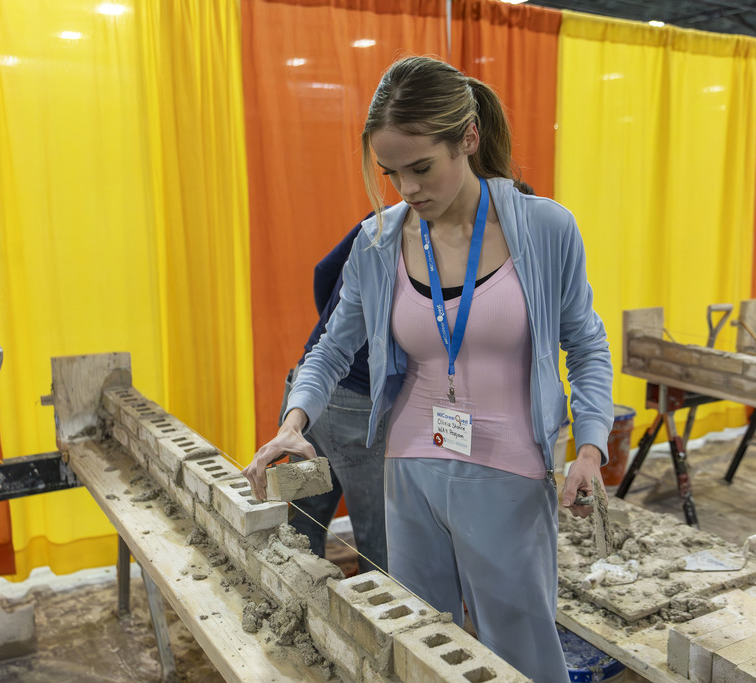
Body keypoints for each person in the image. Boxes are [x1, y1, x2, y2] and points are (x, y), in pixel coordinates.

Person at [245, 55, 614, 682]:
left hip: (509, 472)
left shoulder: (546, 228)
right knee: (421, 641)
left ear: (467, 139)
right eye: (391, 173)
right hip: (409, 466)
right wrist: (294, 419)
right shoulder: (379, 240)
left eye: (421, 168)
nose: (408, 189)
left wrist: (592, 446)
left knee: (521, 650)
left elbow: (587, 343)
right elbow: (332, 347)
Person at [284, 218, 388, 574]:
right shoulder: (419, 235)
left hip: (307, 384)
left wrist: (334, 335)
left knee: (302, 526)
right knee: (380, 542)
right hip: (356, 404)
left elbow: (323, 272)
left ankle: (303, 618)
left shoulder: (378, 221)